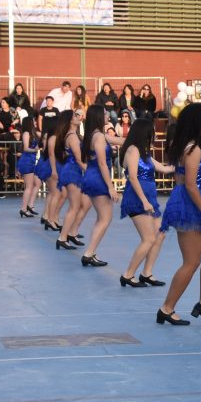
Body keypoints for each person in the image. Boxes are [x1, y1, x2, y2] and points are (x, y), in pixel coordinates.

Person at [156, 104, 201, 327]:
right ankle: (167, 308)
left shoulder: (188, 146)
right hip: (190, 204)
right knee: (191, 261)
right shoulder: (193, 149)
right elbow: (190, 185)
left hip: (189, 201)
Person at [118, 118, 174, 288]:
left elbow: (164, 169)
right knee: (148, 238)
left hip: (149, 198)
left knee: (160, 233)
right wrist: (143, 201)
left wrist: (181, 164)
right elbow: (133, 177)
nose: (154, 136)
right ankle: (128, 275)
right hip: (137, 199)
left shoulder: (144, 153)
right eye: (152, 132)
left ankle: (147, 273)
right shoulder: (133, 150)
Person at [75, 105, 123, 267]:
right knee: (105, 218)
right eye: (104, 113)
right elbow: (102, 163)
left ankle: (91, 252)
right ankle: (89, 253)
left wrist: (137, 137)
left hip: (92, 176)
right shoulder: (99, 137)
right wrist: (110, 187)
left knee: (101, 218)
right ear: (98, 116)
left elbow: (119, 140)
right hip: (98, 178)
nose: (107, 114)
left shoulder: (94, 135)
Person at [54, 109, 90, 251]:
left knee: (84, 203)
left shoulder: (73, 135)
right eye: (76, 115)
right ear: (70, 120)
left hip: (73, 171)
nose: (79, 117)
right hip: (73, 172)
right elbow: (79, 160)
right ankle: (62, 237)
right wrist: (91, 171)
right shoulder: (72, 136)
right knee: (74, 206)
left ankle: (71, 233)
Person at [15, 116, 42, 218]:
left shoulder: (34, 133)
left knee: (38, 183)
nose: (35, 123)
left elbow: (44, 135)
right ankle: (23, 208)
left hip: (32, 160)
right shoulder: (26, 133)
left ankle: (30, 205)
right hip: (27, 161)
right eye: (33, 121)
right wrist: (36, 150)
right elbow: (26, 148)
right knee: (29, 186)